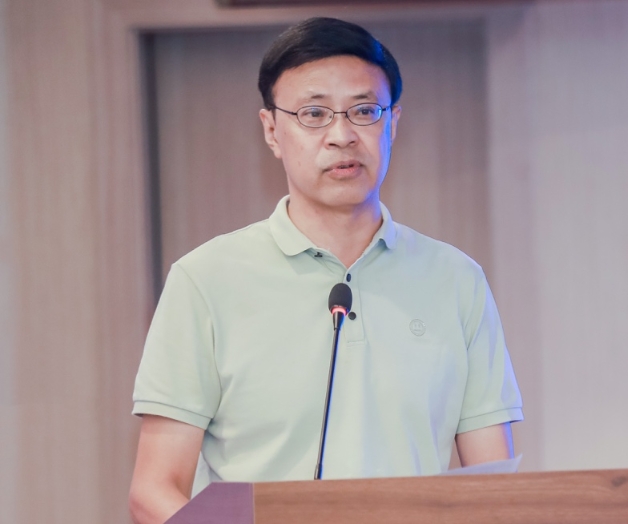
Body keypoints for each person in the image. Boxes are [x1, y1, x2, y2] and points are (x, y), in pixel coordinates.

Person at [128, 17, 523, 524]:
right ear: (272, 130)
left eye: (364, 111)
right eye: (313, 114)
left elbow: (494, 488)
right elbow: (154, 491)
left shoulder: (457, 280)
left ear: (392, 124)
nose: (342, 136)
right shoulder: (204, 280)